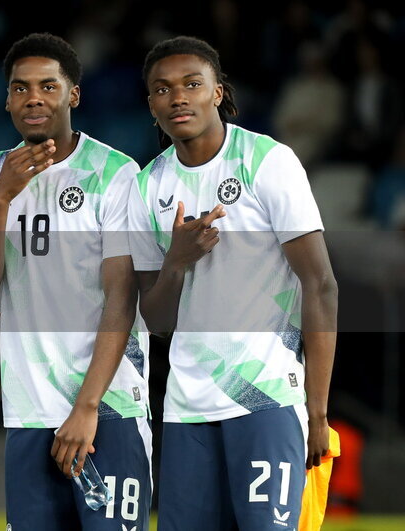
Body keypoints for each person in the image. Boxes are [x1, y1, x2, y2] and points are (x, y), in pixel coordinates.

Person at [129, 36, 337, 530]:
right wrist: (177, 261)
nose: (177, 97)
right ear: (151, 104)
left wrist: (318, 411)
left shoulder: (268, 161)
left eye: (192, 84)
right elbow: (156, 320)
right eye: (162, 89)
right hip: (186, 408)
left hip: (267, 397)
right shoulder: (147, 184)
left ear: (217, 93)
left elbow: (321, 285)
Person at [0, 33, 151, 530]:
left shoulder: (115, 173)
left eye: (48, 85)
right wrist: (1, 199)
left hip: (106, 407)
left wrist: (87, 406)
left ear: (74, 94)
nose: (34, 98)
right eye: (21, 88)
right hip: (28, 407)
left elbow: (122, 296)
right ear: (6, 99)